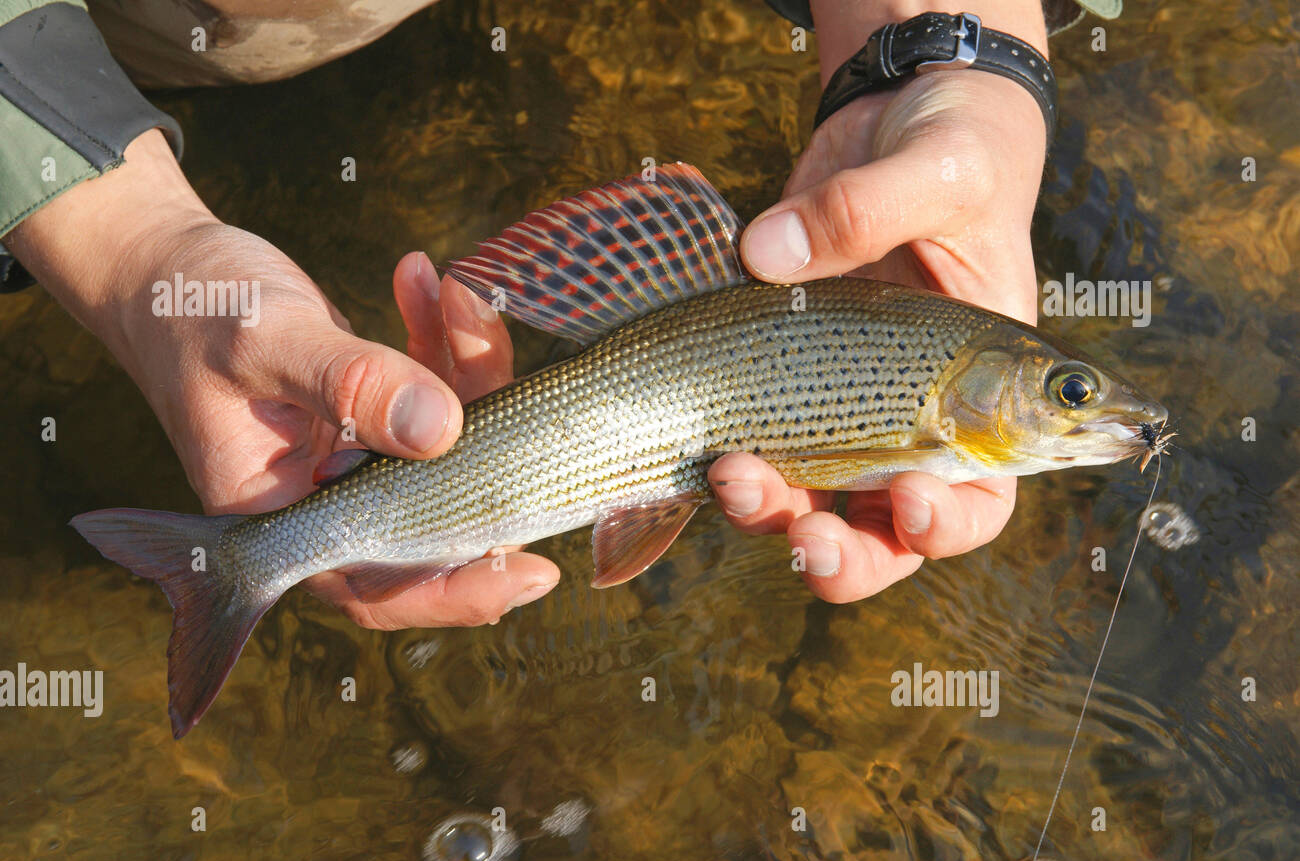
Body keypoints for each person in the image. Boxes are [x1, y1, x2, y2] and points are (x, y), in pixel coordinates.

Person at [0, 0, 1117, 627]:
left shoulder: (948, 397)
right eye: (1071, 394)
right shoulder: (928, 419)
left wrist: (933, 48)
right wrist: (135, 248)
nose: (1092, 412)